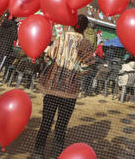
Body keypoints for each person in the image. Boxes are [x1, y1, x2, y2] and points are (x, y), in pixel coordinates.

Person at [33, 15, 93, 159]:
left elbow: (48, 55)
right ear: (85, 27)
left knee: (46, 122)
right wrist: (76, 75)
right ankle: (56, 155)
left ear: (72, 24)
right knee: (61, 126)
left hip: (52, 88)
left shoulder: (62, 38)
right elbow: (88, 65)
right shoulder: (85, 43)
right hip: (69, 92)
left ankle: (38, 152)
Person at [0, 15, 18, 85]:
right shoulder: (14, 26)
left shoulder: (3, 24)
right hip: (6, 47)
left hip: (0, 45)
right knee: (0, 64)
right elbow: (15, 37)